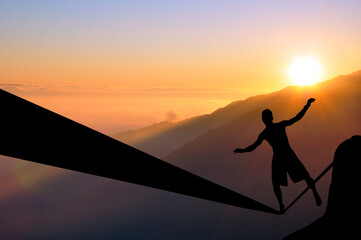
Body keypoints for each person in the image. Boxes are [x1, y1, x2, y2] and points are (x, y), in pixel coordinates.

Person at [233, 98, 322, 213]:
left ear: (263, 120)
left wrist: (242, 150)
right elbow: (297, 118)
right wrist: (307, 106)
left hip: (280, 157)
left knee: (279, 183)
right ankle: (315, 195)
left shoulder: (266, 133)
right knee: (303, 177)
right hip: (287, 155)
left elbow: (253, 147)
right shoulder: (278, 126)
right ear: (271, 118)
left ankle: (283, 205)